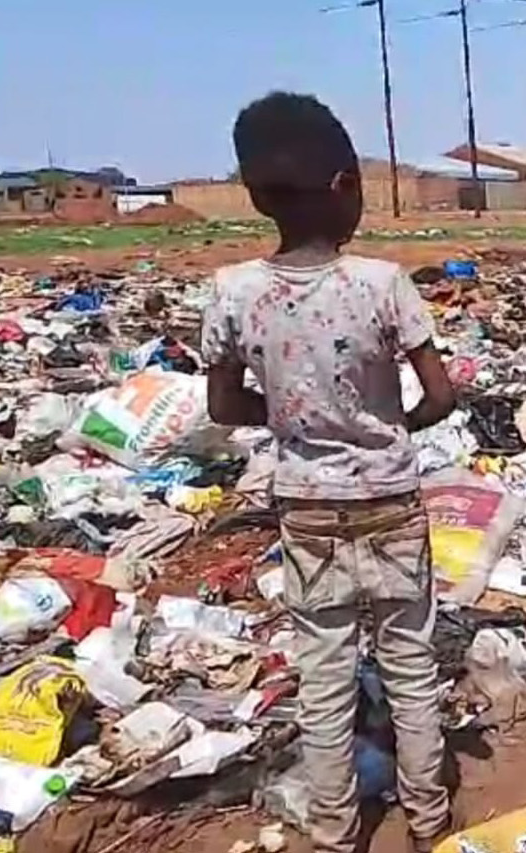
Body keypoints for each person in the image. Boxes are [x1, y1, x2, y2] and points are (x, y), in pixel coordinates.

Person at [200, 92, 456, 853]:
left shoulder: (233, 290)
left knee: (324, 678)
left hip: (306, 508)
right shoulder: (382, 283)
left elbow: (223, 403)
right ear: (347, 185)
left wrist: (290, 415)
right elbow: (441, 394)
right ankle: (431, 824)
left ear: (255, 197)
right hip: (389, 501)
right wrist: (388, 428)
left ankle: (337, 834)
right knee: (410, 666)